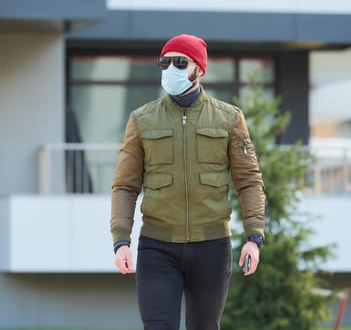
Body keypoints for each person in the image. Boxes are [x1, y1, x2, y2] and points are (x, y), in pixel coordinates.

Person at [110, 33, 266, 330]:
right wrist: (121, 240)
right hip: (157, 248)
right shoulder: (142, 119)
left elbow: (249, 182)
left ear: (200, 69)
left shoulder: (229, 118)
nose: (170, 69)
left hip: (212, 248)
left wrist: (254, 237)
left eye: (180, 62)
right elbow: (125, 186)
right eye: (164, 62)